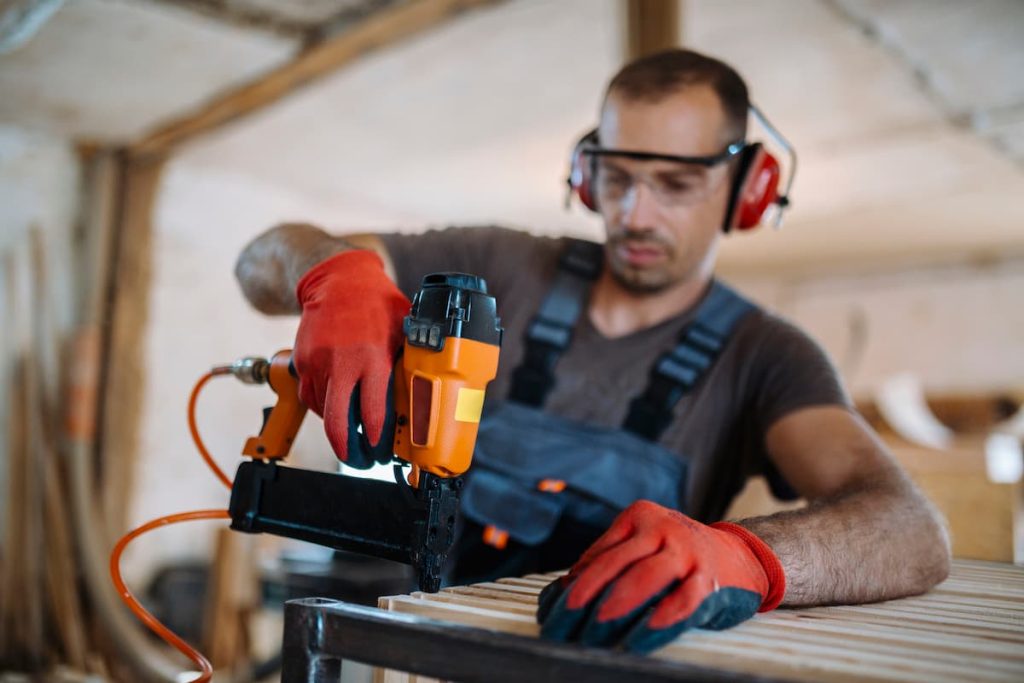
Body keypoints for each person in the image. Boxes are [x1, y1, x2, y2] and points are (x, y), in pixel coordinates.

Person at [234, 49, 950, 654]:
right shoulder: (500, 269)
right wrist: (332, 271)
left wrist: (750, 556)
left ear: (747, 190)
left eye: (676, 183)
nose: (635, 213)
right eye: (616, 176)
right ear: (585, 174)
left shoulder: (768, 357)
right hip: (435, 651)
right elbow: (257, 260)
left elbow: (910, 528)